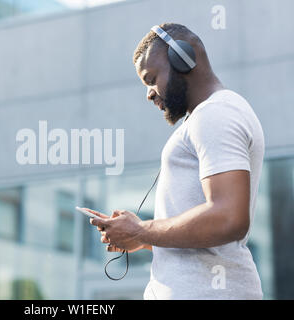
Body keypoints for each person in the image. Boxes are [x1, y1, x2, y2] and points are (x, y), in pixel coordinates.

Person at [88, 23, 265, 299]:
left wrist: (142, 230)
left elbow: (230, 218)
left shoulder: (215, 114)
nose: (149, 93)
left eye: (151, 78)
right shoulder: (210, 115)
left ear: (183, 59)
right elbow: (208, 237)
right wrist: (142, 238)